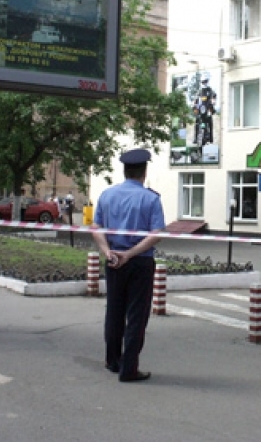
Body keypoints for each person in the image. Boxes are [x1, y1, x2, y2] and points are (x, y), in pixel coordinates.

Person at [92, 148, 166, 382]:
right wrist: (131, 254)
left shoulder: (107, 195)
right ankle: (129, 368)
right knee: (136, 315)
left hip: (113, 260)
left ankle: (112, 361)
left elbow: (96, 228)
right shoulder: (151, 198)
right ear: (144, 172)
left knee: (114, 311)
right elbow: (156, 234)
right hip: (140, 263)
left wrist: (107, 252)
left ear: (124, 171)